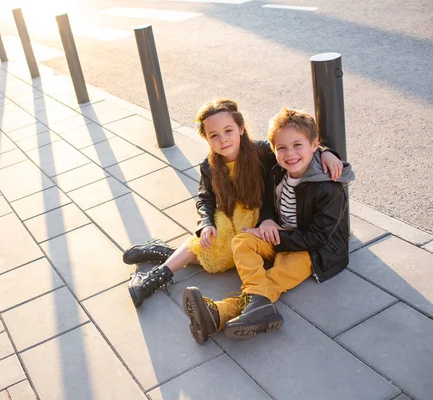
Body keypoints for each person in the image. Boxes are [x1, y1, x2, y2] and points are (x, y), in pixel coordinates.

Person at [123, 99, 342, 321]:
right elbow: (205, 197)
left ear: (241, 128)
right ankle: (160, 273)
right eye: (214, 135)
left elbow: (295, 144)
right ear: (206, 138)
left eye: (228, 130)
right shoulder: (211, 165)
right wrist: (207, 223)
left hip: (269, 223)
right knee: (218, 243)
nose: (223, 139)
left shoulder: (262, 152)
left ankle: (216, 305)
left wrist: (325, 152)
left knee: (243, 262)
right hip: (234, 216)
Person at [183, 106, 354, 344]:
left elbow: (317, 238)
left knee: (273, 278)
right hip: (281, 234)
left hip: (313, 250)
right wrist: (267, 221)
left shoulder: (329, 189)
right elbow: (268, 203)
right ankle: (256, 307)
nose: (290, 154)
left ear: (314, 146)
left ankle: (221, 313)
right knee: (241, 240)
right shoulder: (276, 170)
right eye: (281, 148)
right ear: (273, 150)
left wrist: (327, 152)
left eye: (297, 146)